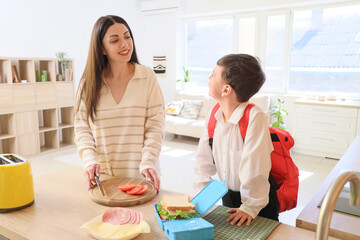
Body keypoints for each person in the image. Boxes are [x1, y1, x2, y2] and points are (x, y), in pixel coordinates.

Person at [74, 15, 165, 192]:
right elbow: (82, 128)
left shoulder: (146, 77)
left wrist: (148, 162)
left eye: (127, 36)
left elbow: (156, 125)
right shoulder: (89, 83)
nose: (124, 44)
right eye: (115, 40)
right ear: (102, 48)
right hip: (104, 179)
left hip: (142, 176)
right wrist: (89, 161)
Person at [193, 54, 279, 227]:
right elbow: (203, 162)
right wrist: (201, 200)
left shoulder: (255, 117)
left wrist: (250, 207)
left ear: (226, 90)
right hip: (229, 196)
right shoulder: (214, 114)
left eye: (213, 74)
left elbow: (255, 167)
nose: (209, 78)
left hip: (258, 201)